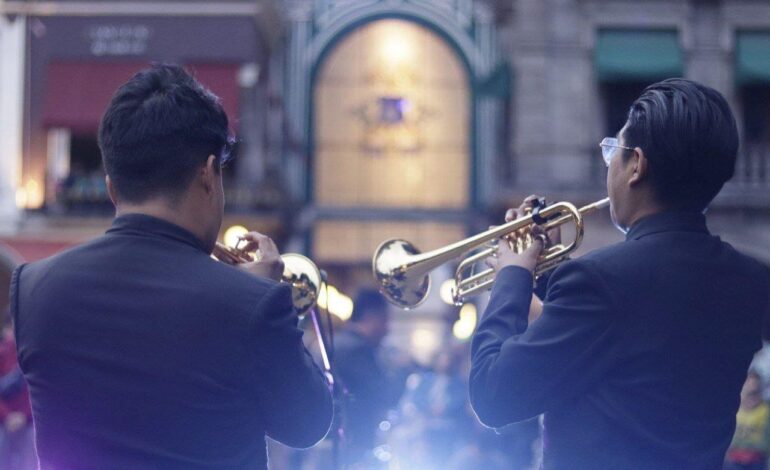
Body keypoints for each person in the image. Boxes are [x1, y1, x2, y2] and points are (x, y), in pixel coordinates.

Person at [9, 64, 332, 469]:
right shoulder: (249, 302)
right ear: (209, 174)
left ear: (112, 186)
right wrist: (269, 299)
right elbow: (307, 424)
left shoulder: (34, 287)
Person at [470, 78, 770, 469]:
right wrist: (549, 271)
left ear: (637, 166)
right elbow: (639, 335)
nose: (609, 162)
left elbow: (494, 397)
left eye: (613, 150)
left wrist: (512, 277)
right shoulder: (750, 279)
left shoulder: (599, 282)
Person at [334, 288, 408, 465]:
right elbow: (383, 395)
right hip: (351, 448)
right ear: (372, 316)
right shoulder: (355, 350)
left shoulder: (341, 343)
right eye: (385, 319)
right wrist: (402, 370)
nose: (387, 329)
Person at [725, 371, 770, 470]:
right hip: (732, 462)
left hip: (756, 462)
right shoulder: (732, 409)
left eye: (755, 391)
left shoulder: (766, 411)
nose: (753, 387)